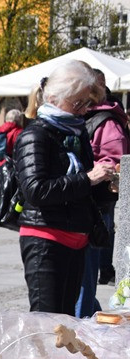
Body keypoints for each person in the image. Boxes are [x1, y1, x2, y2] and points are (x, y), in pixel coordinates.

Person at [13, 61, 116, 316]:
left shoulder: (75, 134)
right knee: (47, 321)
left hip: (76, 239)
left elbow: (81, 193)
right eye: (78, 103)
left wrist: (107, 187)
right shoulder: (34, 135)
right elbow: (35, 191)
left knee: (67, 321)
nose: (83, 110)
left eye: (87, 104)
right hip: (45, 239)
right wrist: (88, 178)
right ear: (57, 97)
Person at [78, 69, 129, 315]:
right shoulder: (82, 117)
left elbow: (116, 164)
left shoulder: (106, 121)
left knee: (84, 276)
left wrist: (84, 172)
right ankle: (88, 317)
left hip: (94, 205)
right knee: (79, 278)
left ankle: (84, 323)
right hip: (77, 202)